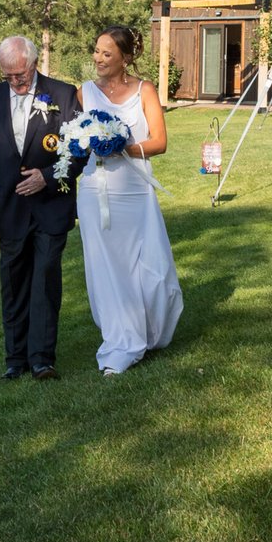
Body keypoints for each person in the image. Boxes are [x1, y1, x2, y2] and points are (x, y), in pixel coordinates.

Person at [0, 36, 82, 380]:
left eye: (20, 75)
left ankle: (42, 359)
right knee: (13, 282)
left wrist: (46, 177)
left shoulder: (63, 94)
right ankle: (15, 358)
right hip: (10, 208)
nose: (15, 82)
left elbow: (78, 150)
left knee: (45, 279)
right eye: (8, 76)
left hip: (52, 206)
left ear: (33, 64)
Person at [76, 26, 183, 375]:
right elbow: (75, 140)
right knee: (105, 268)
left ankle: (148, 329)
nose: (98, 58)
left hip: (135, 192)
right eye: (96, 51)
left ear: (125, 58)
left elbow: (160, 142)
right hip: (95, 192)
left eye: (107, 53)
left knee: (147, 265)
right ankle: (121, 341)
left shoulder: (144, 90)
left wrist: (122, 146)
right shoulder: (84, 93)